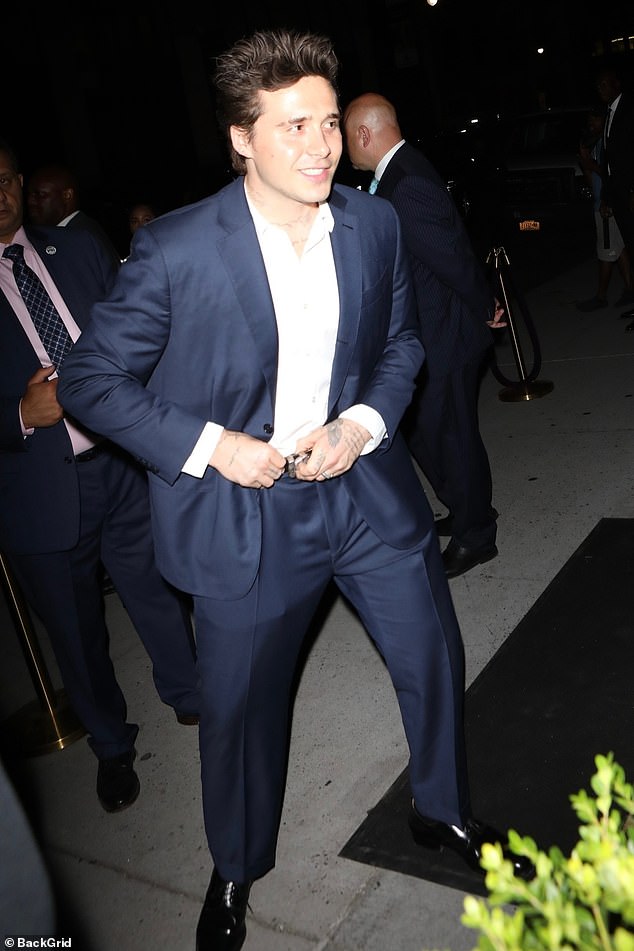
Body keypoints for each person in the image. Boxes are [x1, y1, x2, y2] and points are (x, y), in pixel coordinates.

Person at [58, 29, 533, 951]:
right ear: (241, 136)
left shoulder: (374, 222)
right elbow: (88, 381)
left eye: (326, 123)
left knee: (432, 652)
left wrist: (363, 424)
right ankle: (236, 866)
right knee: (240, 710)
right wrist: (209, 445)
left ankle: (442, 809)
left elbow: (400, 346)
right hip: (243, 511)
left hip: (363, 492)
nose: (319, 147)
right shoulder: (177, 250)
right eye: (293, 128)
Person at [0, 138, 200, 815]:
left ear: (20, 182)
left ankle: (192, 693)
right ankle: (113, 746)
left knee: (154, 586)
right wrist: (18, 415)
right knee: (75, 631)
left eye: (2, 178)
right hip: (38, 493)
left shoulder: (73, 248)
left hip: (117, 461)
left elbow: (134, 326)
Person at [343, 93, 501, 579]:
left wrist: (487, 305)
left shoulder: (405, 182)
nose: (342, 145)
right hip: (426, 335)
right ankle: (464, 506)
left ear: (365, 135)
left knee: (452, 438)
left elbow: (451, 255)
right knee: (426, 434)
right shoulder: (398, 172)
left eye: (345, 134)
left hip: (443, 336)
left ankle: (478, 536)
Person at [575, 102, 633, 312]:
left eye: (595, 120)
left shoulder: (608, 143)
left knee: (606, 252)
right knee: (620, 249)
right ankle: (629, 289)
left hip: (608, 206)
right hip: (603, 202)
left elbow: (613, 175)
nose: (591, 124)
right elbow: (595, 181)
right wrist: (586, 165)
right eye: (589, 121)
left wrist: (591, 166)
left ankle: (601, 296)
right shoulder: (597, 143)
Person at [595, 64, 634, 329]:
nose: (601, 89)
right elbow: (609, 162)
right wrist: (607, 198)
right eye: (598, 86)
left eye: (605, 84)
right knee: (630, 247)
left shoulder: (628, 110)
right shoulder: (608, 113)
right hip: (617, 194)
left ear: (616, 84)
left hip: (629, 193)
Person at [26, 162, 121, 266]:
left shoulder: (79, 237)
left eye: (40, 195)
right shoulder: (79, 230)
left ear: (67, 195)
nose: (31, 201)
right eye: (30, 195)